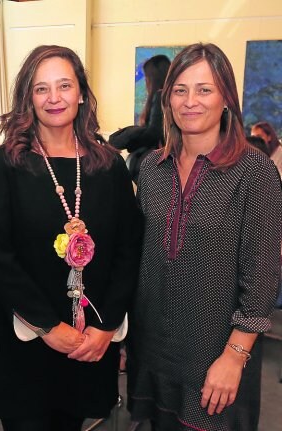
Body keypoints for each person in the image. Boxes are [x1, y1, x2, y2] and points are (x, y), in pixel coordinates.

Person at [0, 45, 142, 431]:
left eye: (64, 85)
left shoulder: (109, 166)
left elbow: (129, 250)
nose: (54, 98)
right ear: (27, 98)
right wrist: (49, 327)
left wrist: (105, 328)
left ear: (81, 93)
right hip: (26, 342)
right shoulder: (3, 165)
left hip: (90, 341)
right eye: (41, 88)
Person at [128, 43, 282, 431]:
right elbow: (144, 261)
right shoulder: (151, 168)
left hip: (217, 353)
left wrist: (233, 357)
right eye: (180, 90)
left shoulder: (254, 171)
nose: (190, 101)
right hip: (155, 348)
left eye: (204, 90)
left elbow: (262, 276)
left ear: (226, 98)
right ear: (167, 100)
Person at [109, 55, 171, 183]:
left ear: (154, 78)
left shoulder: (159, 96)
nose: (146, 82)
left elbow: (154, 132)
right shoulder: (169, 97)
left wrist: (131, 135)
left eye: (147, 77)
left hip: (157, 164)